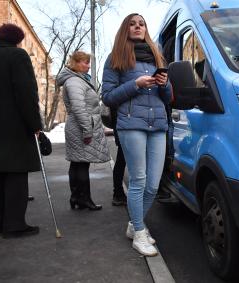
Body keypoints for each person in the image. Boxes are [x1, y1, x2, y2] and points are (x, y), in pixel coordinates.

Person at [102, 13, 172, 256]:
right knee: (139, 180)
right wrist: (136, 84)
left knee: (153, 184)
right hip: (131, 124)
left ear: (146, 29)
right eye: (132, 24)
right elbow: (108, 96)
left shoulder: (157, 56)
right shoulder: (116, 58)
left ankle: (134, 225)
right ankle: (139, 233)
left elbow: (168, 97)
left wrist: (164, 83)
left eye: (141, 24)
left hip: (159, 125)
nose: (137, 27)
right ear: (125, 29)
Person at [0, 24, 42, 238]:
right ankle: (14, 225)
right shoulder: (18, 56)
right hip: (13, 127)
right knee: (15, 176)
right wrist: (35, 124)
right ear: (18, 39)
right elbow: (26, 93)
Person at [57, 51, 110, 211]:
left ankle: (76, 198)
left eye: (88, 62)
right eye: (85, 62)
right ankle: (84, 199)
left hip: (79, 125)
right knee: (81, 165)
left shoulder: (77, 80)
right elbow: (79, 108)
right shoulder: (74, 81)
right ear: (75, 63)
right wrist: (87, 131)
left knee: (77, 163)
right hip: (81, 126)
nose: (88, 66)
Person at [111, 108, 127, 206]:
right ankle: (117, 193)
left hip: (121, 125)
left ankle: (118, 193)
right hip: (123, 126)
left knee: (121, 161)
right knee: (121, 161)